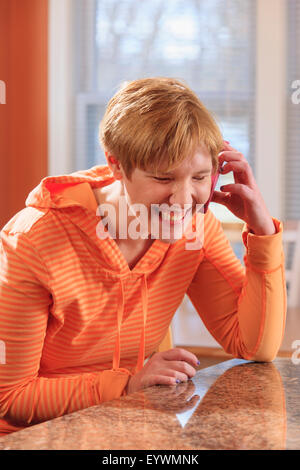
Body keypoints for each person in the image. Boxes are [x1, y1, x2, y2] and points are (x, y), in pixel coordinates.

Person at [0, 77, 286, 435]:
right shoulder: (33, 241)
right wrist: (127, 385)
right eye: (163, 178)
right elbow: (10, 398)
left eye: (199, 176)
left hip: (136, 430)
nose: (184, 200)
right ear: (117, 165)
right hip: (41, 438)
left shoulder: (195, 228)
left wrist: (262, 234)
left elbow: (255, 345)